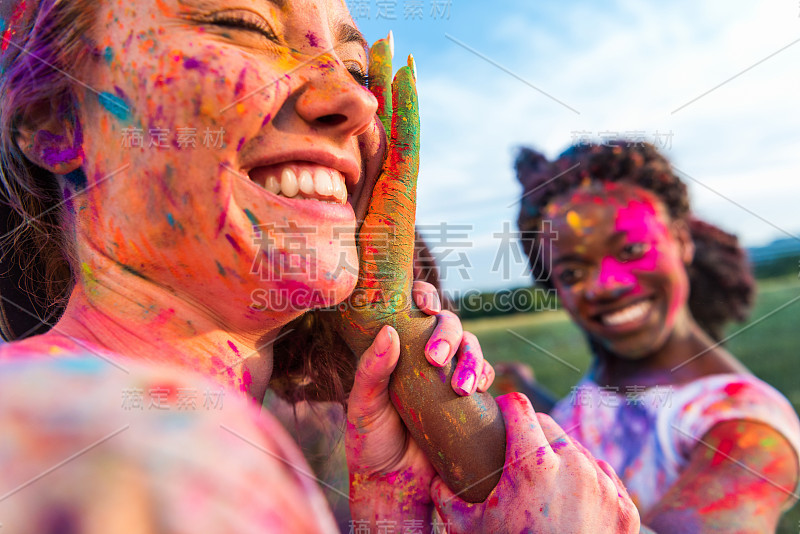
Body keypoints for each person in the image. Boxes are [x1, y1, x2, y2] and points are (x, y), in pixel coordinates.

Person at [0, 0, 640, 531]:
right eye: (243, 26)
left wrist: (390, 507)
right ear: (53, 120)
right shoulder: (135, 442)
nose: (354, 101)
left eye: (358, 69)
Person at [511, 141, 800, 532]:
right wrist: (528, 399)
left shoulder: (746, 429)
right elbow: (597, 433)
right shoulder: (609, 381)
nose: (605, 285)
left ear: (681, 240)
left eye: (631, 249)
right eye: (573, 273)